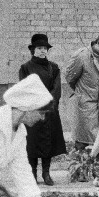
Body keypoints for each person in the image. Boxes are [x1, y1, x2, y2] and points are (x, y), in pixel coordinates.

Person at [18, 33, 68, 185]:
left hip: (49, 110)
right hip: (32, 111)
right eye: (39, 48)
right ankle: (32, 174)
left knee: (48, 143)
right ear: (33, 50)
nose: (42, 51)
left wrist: (48, 103)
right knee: (32, 144)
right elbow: (24, 88)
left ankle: (46, 173)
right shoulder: (25, 68)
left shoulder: (53, 68)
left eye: (45, 48)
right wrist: (35, 104)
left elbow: (56, 88)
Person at [65, 32, 99, 160]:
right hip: (85, 105)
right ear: (97, 43)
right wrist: (82, 94)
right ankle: (81, 172)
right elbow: (70, 77)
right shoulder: (82, 56)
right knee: (83, 140)